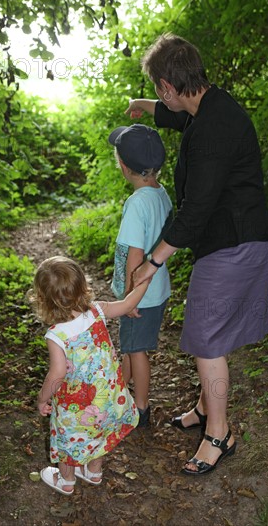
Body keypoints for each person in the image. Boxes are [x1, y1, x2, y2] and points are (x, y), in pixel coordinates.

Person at [127, 33, 268, 476]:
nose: (159, 97)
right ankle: (204, 406)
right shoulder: (206, 105)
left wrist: (152, 263)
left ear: (169, 85)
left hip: (234, 241)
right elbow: (177, 119)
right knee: (209, 330)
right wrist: (143, 104)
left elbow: (194, 213)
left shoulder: (212, 129)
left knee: (206, 337)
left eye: (157, 89)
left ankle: (219, 434)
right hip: (233, 237)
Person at [29, 255, 149, 495]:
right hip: (109, 397)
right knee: (101, 431)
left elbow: (57, 373)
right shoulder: (97, 311)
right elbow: (127, 304)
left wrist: (43, 398)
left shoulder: (57, 335)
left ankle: (66, 480)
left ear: (43, 300)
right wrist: (146, 279)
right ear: (82, 287)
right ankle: (93, 472)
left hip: (78, 404)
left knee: (69, 438)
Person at [109, 124, 172, 427]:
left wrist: (129, 298)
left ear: (123, 165)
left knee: (136, 351)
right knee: (131, 347)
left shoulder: (136, 204)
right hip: (155, 289)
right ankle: (120, 394)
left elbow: (135, 256)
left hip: (139, 295)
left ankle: (140, 409)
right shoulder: (161, 194)